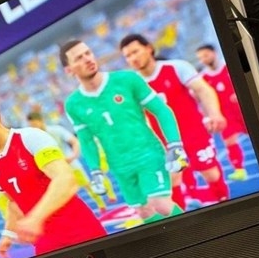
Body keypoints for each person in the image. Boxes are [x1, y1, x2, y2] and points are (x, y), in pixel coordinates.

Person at [0, 84, 106, 258]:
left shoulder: (30, 138)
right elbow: (14, 201)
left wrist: (35, 218)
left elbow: (65, 179)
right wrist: (8, 234)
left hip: (81, 231)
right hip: (44, 242)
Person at [60, 39, 187, 223]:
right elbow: (86, 140)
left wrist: (174, 145)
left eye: (88, 53)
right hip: (119, 165)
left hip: (148, 154)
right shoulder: (73, 104)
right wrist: (95, 171)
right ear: (69, 70)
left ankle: (197, 234)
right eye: (79, 58)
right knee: (144, 212)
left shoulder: (127, 80)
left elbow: (161, 110)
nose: (87, 59)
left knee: (161, 205)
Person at [119, 34, 230, 208]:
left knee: (211, 174)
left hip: (194, 132)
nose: (133, 58)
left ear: (149, 48)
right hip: (164, 141)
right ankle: (183, 216)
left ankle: (225, 205)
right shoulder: (132, 85)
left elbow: (203, 90)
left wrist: (214, 113)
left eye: (135, 52)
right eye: (128, 56)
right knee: (172, 181)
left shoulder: (177, 67)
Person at [26, 111, 111, 214]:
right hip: (55, 169)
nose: (33, 127)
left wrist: (73, 156)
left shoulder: (56, 130)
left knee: (86, 185)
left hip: (71, 164)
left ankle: (101, 205)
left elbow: (74, 141)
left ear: (40, 121)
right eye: (31, 125)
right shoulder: (35, 138)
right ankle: (77, 212)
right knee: (65, 192)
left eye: (34, 124)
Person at [196, 44, 249, 181]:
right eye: (200, 58)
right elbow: (202, 100)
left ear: (213, 53)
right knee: (229, 142)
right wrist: (208, 117)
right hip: (224, 115)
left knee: (256, 132)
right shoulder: (203, 78)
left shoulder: (229, 67)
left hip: (241, 109)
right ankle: (239, 170)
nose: (203, 60)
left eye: (205, 55)